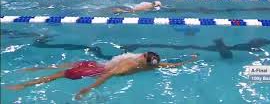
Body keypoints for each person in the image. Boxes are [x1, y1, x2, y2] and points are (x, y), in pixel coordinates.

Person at [6, 52, 198, 100]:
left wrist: (89, 88)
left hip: (98, 69)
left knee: (61, 72)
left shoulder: (128, 64)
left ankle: (26, 81)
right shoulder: (150, 67)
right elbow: (170, 65)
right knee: (64, 69)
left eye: (144, 55)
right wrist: (188, 62)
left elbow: (106, 76)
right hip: (100, 67)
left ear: (144, 58)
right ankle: (31, 77)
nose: (141, 55)